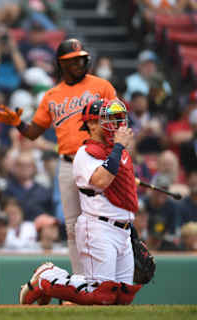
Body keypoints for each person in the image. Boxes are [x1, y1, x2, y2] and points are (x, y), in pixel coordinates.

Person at [0, 38, 117, 275]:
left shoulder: (102, 86)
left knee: (101, 223)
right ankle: (82, 280)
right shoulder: (52, 95)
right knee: (73, 227)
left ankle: (104, 277)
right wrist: (18, 123)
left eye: (81, 59)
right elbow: (33, 133)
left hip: (98, 161)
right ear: (61, 64)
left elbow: (119, 119)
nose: (79, 64)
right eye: (72, 61)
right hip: (69, 163)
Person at [19, 98, 142, 305]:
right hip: (99, 227)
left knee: (122, 298)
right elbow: (101, 180)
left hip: (122, 230)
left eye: (115, 118)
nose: (114, 124)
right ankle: (47, 278)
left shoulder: (118, 152)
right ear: (92, 124)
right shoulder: (85, 153)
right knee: (100, 295)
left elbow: (125, 198)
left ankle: (52, 279)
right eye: (108, 119)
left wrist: (132, 231)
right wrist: (120, 146)